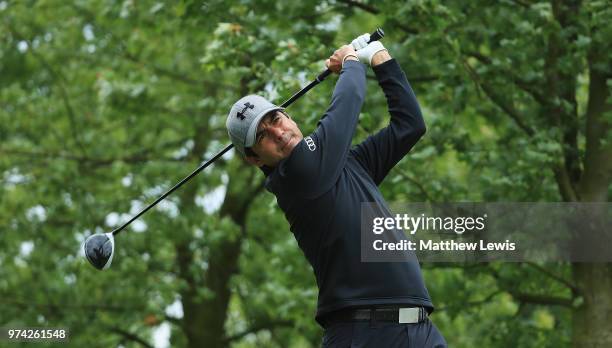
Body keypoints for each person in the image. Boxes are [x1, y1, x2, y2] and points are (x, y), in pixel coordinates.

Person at [226, 34, 447, 347]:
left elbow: (410, 124)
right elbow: (345, 107)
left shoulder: (348, 164)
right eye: (262, 136)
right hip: (363, 334)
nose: (278, 132)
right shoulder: (296, 177)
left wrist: (380, 57)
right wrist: (351, 62)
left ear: (287, 115)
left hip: (418, 328)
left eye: (276, 118)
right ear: (254, 159)